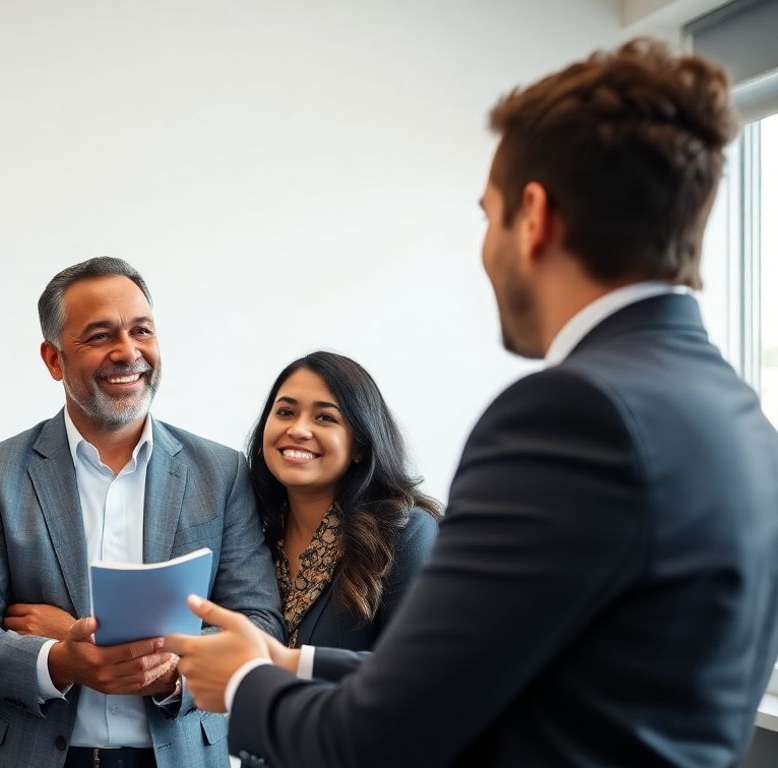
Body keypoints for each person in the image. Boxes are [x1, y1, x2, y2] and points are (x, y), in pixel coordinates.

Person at [166, 38, 778, 767]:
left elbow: (388, 736)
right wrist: (291, 661)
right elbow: (500, 683)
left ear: (534, 217)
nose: (485, 249)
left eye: (488, 216)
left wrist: (244, 685)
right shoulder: (743, 418)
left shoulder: (568, 416)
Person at [0, 257, 284, 768]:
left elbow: (259, 625)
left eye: (142, 330)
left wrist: (169, 669)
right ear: (53, 359)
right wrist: (58, 661)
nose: (128, 352)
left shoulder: (221, 472)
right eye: (100, 336)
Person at [246, 351, 440, 650]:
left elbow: (419, 663)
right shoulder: (249, 531)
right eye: (285, 412)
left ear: (360, 445)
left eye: (325, 417)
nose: (298, 430)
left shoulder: (405, 533)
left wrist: (292, 663)